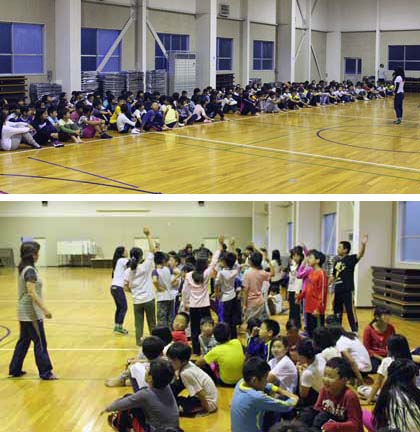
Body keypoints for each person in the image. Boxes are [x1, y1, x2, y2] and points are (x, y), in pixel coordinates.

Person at [9, 241, 57, 380]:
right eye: (37, 253)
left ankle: (15, 369)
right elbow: (31, 292)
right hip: (31, 313)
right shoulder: (29, 270)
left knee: (24, 341)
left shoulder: (25, 268)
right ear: (31, 255)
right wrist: (45, 309)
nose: (38, 255)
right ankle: (45, 372)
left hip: (24, 312)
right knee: (40, 342)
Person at [102, 358, 181, 432]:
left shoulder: (145, 394)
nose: (145, 370)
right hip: (174, 427)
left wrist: (107, 409)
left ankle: (118, 426)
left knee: (128, 403)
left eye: (147, 369)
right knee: (136, 403)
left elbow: (121, 404)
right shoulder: (166, 386)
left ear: (150, 378)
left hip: (157, 430)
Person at [230, 356, 299, 432]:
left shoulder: (241, 382)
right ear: (254, 380)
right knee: (281, 405)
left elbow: (267, 385)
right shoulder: (256, 397)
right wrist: (294, 398)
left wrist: (280, 390)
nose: (267, 381)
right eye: (265, 378)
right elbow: (286, 406)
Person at [182, 235, 223, 355]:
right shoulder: (206, 273)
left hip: (193, 306)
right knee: (208, 328)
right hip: (205, 305)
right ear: (205, 263)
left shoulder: (188, 275)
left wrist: (185, 302)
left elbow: (185, 291)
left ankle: (196, 351)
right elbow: (214, 261)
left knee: (194, 329)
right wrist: (220, 246)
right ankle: (210, 349)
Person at [299, 357, 363, 432]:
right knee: (308, 414)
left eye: (331, 377)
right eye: (325, 375)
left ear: (344, 380)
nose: (326, 379)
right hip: (328, 425)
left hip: (342, 428)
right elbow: (318, 410)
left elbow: (355, 425)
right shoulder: (324, 390)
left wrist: (336, 426)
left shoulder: (350, 396)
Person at [124, 228, 156, 346]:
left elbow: (125, 287)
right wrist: (148, 235)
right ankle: (154, 342)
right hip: (149, 299)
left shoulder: (127, 271)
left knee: (138, 324)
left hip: (137, 301)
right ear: (141, 256)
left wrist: (133, 292)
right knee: (152, 323)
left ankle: (139, 342)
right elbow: (152, 250)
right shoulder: (145, 266)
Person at [167, 342, 218, 416]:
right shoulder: (189, 364)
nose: (170, 362)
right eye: (169, 359)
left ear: (184, 361)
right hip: (209, 398)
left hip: (209, 403)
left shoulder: (185, 373)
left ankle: (201, 408)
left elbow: (201, 393)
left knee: (173, 408)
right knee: (175, 399)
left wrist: (206, 410)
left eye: (173, 360)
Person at [369, 359, 420, 432]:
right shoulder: (415, 393)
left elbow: (376, 414)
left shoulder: (387, 392)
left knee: (365, 415)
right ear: (412, 377)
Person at [330, 235, 367, 333]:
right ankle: (337, 330)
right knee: (337, 311)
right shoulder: (337, 262)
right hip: (338, 290)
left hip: (347, 289)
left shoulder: (351, 259)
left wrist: (363, 245)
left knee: (350, 310)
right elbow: (334, 277)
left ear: (345, 250)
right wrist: (326, 284)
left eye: (339, 247)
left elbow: (360, 255)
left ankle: (354, 330)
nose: (337, 249)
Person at [362, 334, 413, 405]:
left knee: (362, 389)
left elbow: (377, 383)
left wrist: (368, 400)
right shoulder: (410, 362)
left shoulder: (386, 361)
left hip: (390, 396)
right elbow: (412, 384)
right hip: (407, 397)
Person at [296, 250, 328, 338]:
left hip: (316, 310)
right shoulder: (311, 272)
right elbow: (307, 289)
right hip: (308, 308)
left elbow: (322, 293)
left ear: (317, 260)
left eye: (310, 258)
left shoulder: (321, 274)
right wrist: (300, 297)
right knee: (310, 332)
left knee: (318, 335)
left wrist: (318, 309)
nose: (308, 259)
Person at [215, 240, 241, 339]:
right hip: (233, 296)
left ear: (225, 262)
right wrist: (232, 246)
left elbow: (217, 284)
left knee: (224, 319)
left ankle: (224, 337)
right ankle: (233, 337)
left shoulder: (221, 273)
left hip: (224, 297)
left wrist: (217, 294)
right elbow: (235, 260)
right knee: (232, 319)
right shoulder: (235, 271)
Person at [242, 248, 274, 322]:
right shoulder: (262, 272)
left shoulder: (247, 273)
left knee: (251, 323)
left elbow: (245, 291)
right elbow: (273, 274)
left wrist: (244, 305)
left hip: (250, 302)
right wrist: (269, 262)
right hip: (260, 301)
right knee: (259, 322)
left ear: (251, 262)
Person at [363, 306, 395, 373]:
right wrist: (382, 359)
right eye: (385, 315)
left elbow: (393, 343)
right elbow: (367, 349)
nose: (388, 317)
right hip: (375, 356)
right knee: (372, 369)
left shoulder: (391, 328)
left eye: (388, 314)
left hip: (388, 355)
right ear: (377, 317)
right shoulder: (368, 329)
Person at [296, 338, 326, 406]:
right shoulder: (321, 356)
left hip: (322, 399)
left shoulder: (307, 373)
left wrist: (301, 373)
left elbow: (303, 394)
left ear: (302, 356)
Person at [152, 251, 174, 328]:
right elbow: (175, 278)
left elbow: (154, 280)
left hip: (161, 297)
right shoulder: (168, 269)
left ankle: (162, 334)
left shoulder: (155, 271)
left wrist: (158, 288)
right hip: (170, 296)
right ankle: (170, 333)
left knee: (162, 319)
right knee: (170, 318)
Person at [110, 246, 129, 335]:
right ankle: (119, 327)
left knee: (119, 308)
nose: (127, 251)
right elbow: (132, 264)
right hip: (118, 288)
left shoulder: (117, 262)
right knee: (124, 307)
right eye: (126, 250)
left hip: (113, 287)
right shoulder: (122, 260)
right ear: (122, 253)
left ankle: (117, 326)